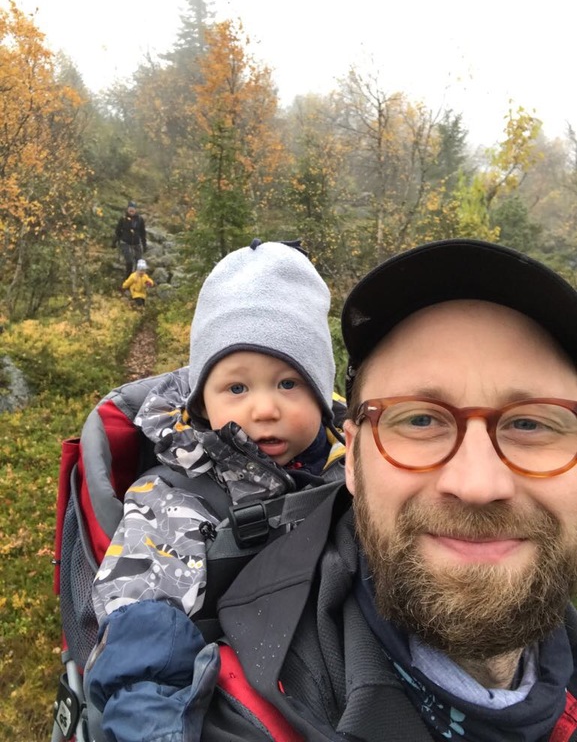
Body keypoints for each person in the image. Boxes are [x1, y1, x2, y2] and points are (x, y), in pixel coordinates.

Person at [195, 238, 577, 742]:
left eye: (530, 424)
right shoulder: (246, 711)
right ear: (353, 458)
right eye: (419, 419)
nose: (478, 484)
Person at [85, 239, 346, 742]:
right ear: (202, 402)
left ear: (322, 390)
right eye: (237, 388)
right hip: (228, 706)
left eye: (289, 384)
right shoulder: (173, 500)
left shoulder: (354, 465)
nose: (264, 409)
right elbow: (143, 645)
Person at [113, 201, 147, 277]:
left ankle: (138, 279)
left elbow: (143, 233)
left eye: (133, 209)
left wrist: (144, 245)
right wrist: (114, 242)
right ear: (127, 209)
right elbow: (118, 231)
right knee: (129, 261)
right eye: (130, 208)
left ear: (135, 210)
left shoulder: (140, 219)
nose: (131, 210)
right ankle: (128, 278)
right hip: (125, 242)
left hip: (136, 243)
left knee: (139, 262)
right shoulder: (123, 219)